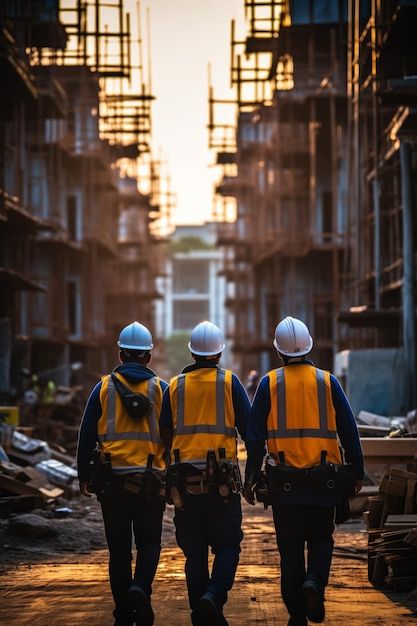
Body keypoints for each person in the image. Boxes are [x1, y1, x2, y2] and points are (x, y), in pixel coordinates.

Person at [244, 316, 364, 626]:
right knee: (322, 541)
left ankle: (297, 615)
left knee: (290, 552)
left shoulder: (269, 383)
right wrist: (356, 471)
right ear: (308, 347)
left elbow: (255, 438)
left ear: (279, 351)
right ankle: (315, 584)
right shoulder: (328, 381)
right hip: (324, 484)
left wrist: (251, 478)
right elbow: (349, 431)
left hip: (285, 487)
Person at [159, 321, 250, 626]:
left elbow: (164, 431)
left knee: (194, 553)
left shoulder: (174, 386)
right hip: (221, 485)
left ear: (192, 352)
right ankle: (213, 597)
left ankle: (202, 612)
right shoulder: (229, 383)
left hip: (184, 486)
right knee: (227, 545)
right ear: (219, 353)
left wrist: (169, 466)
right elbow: (250, 431)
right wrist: (253, 476)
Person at [77, 322, 167, 626]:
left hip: (112, 482)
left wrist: (83, 474)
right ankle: (140, 587)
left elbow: (86, 433)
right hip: (151, 481)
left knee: (118, 551)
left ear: (120, 355)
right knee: (150, 542)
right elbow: (174, 434)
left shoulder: (102, 388)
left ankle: (123, 612)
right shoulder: (161, 389)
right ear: (149, 357)